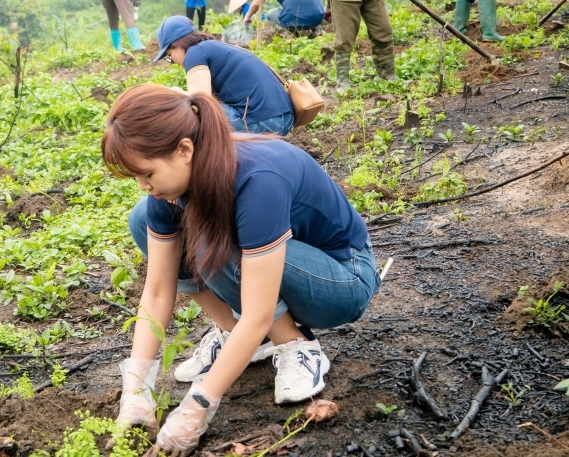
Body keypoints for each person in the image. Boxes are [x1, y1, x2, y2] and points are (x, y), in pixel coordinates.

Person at [104, 84, 378, 455]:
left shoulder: (257, 178)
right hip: (278, 269)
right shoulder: (168, 188)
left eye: (147, 173)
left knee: (210, 242)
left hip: (341, 281)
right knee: (144, 220)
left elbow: (258, 313)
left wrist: (197, 407)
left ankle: (295, 344)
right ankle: (238, 337)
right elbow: (156, 292)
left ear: (184, 150)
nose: (143, 185)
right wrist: (136, 390)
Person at [154, 16, 294, 137]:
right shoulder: (213, 47)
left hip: (264, 122)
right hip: (287, 117)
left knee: (187, 105)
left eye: (170, 56)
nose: (173, 61)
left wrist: (175, 93)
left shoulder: (193, 54)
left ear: (177, 45)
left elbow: (201, 99)